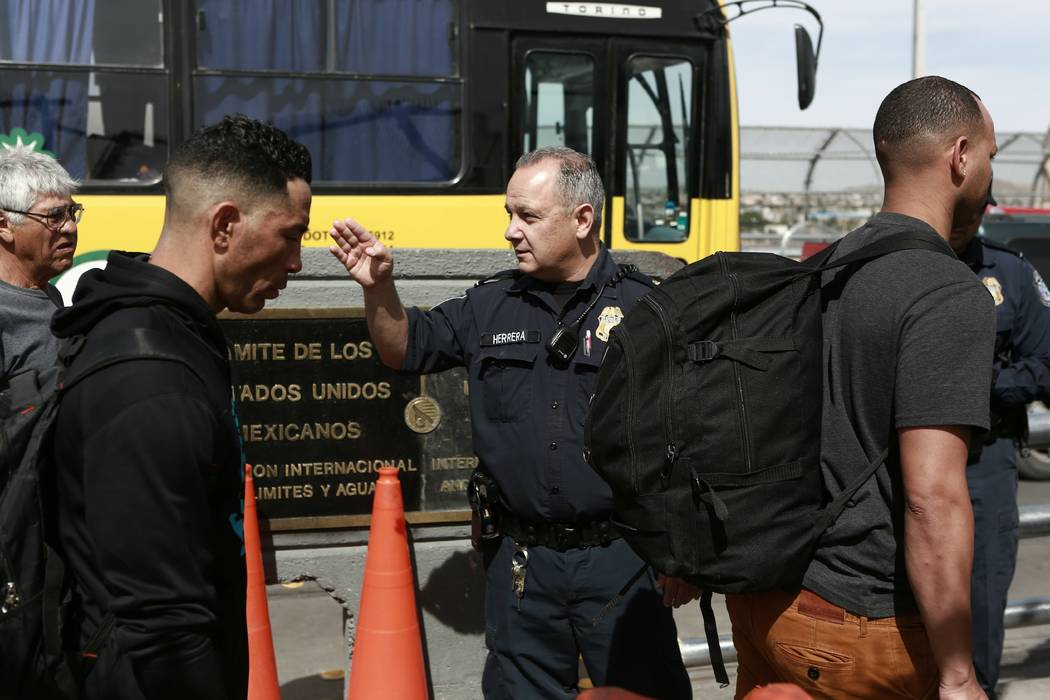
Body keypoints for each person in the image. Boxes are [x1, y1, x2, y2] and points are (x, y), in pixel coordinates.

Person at [330, 146, 695, 699]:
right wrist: (377, 286)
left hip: (622, 559)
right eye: (509, 214)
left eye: (527, 216)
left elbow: (687, 432)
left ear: (582, 219)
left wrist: (684, 549)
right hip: (524, 566)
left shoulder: (647, 309)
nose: (510, 231)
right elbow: (403, 349)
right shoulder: (490, 306)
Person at [727, 76, 998, 699]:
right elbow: (933, 499)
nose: (988, 166)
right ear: (959, 156)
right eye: (987, 151)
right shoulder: (948, 292)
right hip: (863, 627)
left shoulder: (820, 268)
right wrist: (958, 674)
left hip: (771, 601)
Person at [51, 115, 312, 700]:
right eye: (290, 235)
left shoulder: (171, 332)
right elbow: (163, 624)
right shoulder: (151, 378)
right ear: (224, 224)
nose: (295, 262)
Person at [948, 187, 1050, 698]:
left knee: (983, 594)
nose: (964, 220)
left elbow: (1047, 364)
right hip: (898, 463)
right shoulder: (898, 270)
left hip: (986, 457)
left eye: (975, 210)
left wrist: (982, 388)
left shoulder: (1009, 274)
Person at [0, 147, 79, 383]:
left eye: (72, 213)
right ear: (3, 225)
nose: (70, 227)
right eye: (54, 217)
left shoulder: (48, 293)